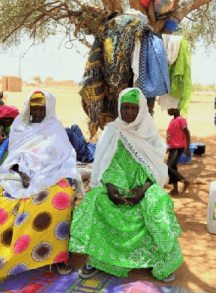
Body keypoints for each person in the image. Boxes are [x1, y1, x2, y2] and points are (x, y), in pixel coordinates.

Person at [69, 88, 183, 283]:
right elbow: (105, 164)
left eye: (133, 108)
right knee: (94, 200)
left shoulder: (149, 132)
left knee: (159, 201)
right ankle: (100, 259)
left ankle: (161, 260)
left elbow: (155, 168)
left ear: (141, 110)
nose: (129, 112)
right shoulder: (112, 130)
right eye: (126, 107)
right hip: (116, 185)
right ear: (120, 108)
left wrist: (143, 189)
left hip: (144, 187)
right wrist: (111, 187)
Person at [0, 90, 83, 280]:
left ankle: (55, 256)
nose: (37, 113)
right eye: (33, 108)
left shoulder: (55, 127)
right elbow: (14, 156)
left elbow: (63, 156)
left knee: (58, 200)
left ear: (49, 108)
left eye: (41, 109)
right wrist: (21, 174)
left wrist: (44, 174)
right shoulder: (20, 126)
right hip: (19, 173)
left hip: (51, 175)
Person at [166, 107, 191, 195]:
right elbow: (173, 135)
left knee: (169, 166)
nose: (167, 110)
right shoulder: (173, 121)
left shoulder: (181, 120)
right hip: (173, 147)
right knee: (172, 168)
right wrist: (170, 146)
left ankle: (184, 181)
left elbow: (187, 133)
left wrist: (187, 148)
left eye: (169, 109)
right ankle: (175, 189)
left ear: (176, 110)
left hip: (178, 147)